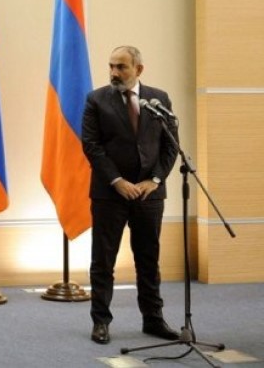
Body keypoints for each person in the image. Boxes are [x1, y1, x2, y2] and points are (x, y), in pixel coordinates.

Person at [82, 45, 180, 345]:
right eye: (111, 66)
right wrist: (117, 181)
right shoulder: (96, 99)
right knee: (103, 260)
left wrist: (155, 179)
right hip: (110, 194)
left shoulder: (158, 99)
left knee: (148, 259)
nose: (114, 72)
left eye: (121, 67)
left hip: (149, 195)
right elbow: (91, 145)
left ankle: (153, 319)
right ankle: (101, 321)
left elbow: (171, 145)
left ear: (138, 69)